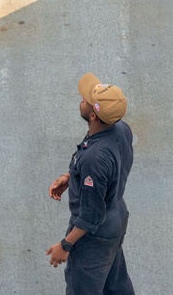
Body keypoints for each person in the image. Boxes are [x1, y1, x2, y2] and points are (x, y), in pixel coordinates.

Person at [46, 73, 135, 295]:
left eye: (85, 100)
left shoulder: (93, 158)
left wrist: (65, 245)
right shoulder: (120, 129)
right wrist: (71, 177)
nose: (82, 100)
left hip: (95, 233)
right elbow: (108, 172)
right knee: (115, 284)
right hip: (116, 215)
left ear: (94, 115)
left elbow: (91, 216)